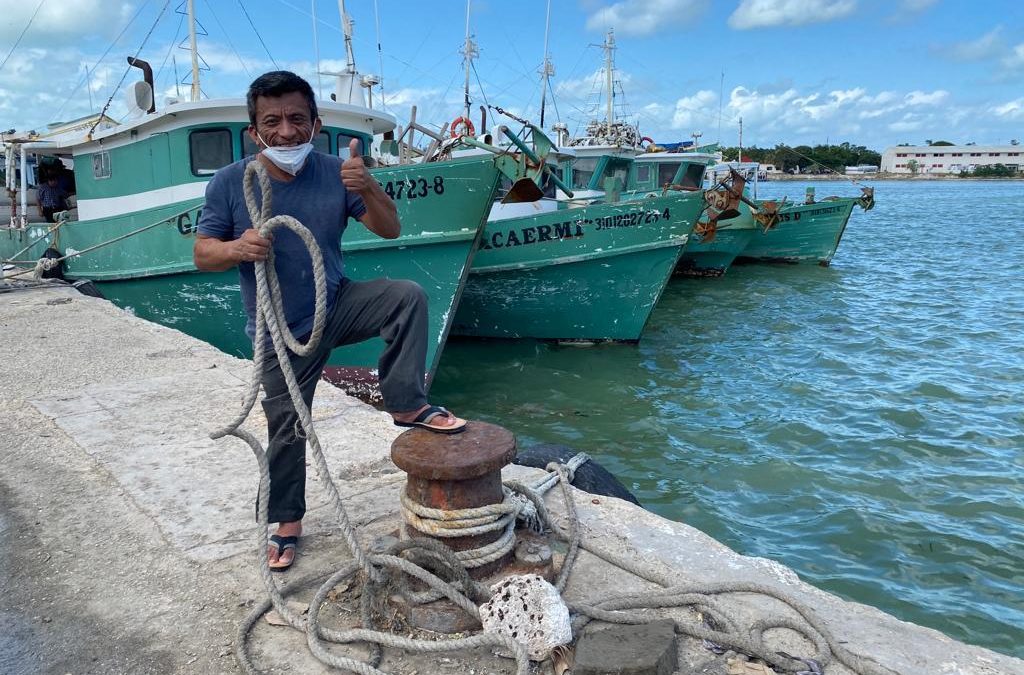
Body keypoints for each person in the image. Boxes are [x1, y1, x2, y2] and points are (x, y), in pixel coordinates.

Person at [194, 71, 466, 571]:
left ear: (315, 124)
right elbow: (202, 253)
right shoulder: (231, 182)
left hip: (336, 305)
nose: (285, 132)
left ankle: (406, 403)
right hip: (280, 329)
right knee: (287, 427)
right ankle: (286, 521)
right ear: (254, 131)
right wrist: (237, 248)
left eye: (297, 118)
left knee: (406, 297)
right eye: (271, 121)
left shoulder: (337, 173)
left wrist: (370, 188)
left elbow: (389, 229)